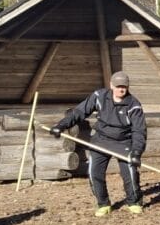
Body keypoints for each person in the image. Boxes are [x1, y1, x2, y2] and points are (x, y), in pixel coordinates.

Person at [49, 71, 148, 217]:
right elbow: (79, 112)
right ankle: (103, 204)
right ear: (111, 85)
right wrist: (61, 125)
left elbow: (139, 130)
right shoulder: (99, 96)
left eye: (124, 87)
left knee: (130, 173)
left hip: (123, 141)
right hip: (101, 140)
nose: (121, 89)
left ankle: (134, 202)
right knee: (94, 172)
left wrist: (137, 152)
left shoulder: (134, 105)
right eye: (118, 86)